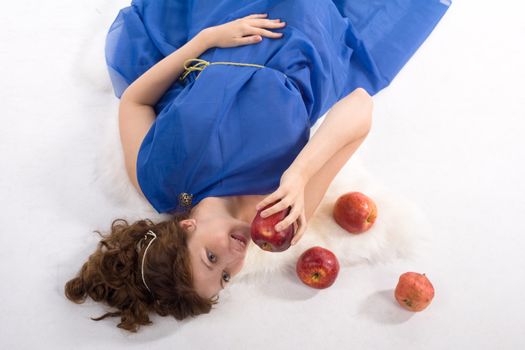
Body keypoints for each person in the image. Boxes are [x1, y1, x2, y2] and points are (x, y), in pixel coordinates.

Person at [65, 0, 451, 332]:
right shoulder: (281, 214)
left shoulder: (157, 180)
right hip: (312, 40)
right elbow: (360, 106)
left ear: (186, 228)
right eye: (227, 277)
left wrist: (206, 40)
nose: (234, 258)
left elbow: (134, 102)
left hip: (233, 20)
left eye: (211, 259)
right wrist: (299, 175)